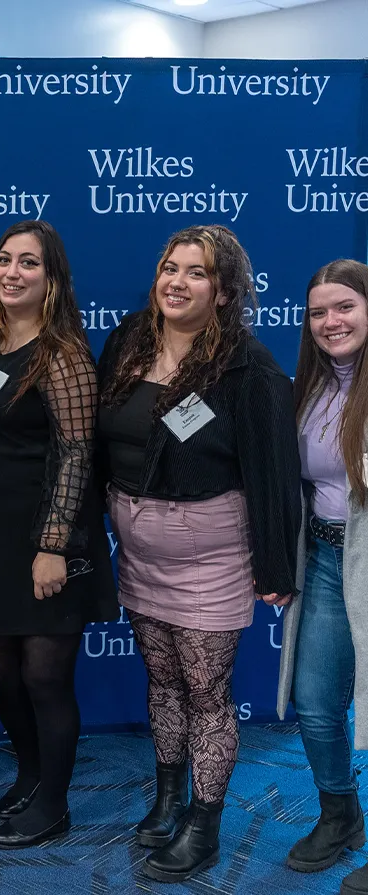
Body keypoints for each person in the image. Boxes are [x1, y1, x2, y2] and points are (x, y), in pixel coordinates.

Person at [97, 224, 302, 883]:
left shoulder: (248, 366)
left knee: (207, 693)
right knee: (163, 683)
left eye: (195, 273)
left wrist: (276, 565)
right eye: (170, 268)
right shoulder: (130, 338)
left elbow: (274, 469)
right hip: (139, 552)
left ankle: (204, 826)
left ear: (224, 290)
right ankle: (168, 795)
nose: (176, 282)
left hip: (212, 559)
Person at [0, 221, 118, 849]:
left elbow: (77, 452)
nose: (11, 271)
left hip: (47, 535)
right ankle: (30, 773)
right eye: (2, 259)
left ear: (52, 279)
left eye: (28, 263)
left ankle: (53, 804)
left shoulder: (63, 353)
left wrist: (52, 545)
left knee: (44, 675)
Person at [275, 260, 368, 895]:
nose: (330, 322)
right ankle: (341, 815)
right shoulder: (305, 387)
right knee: (314, 705)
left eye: (345, 307)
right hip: (329, 561)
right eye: (317, 312)